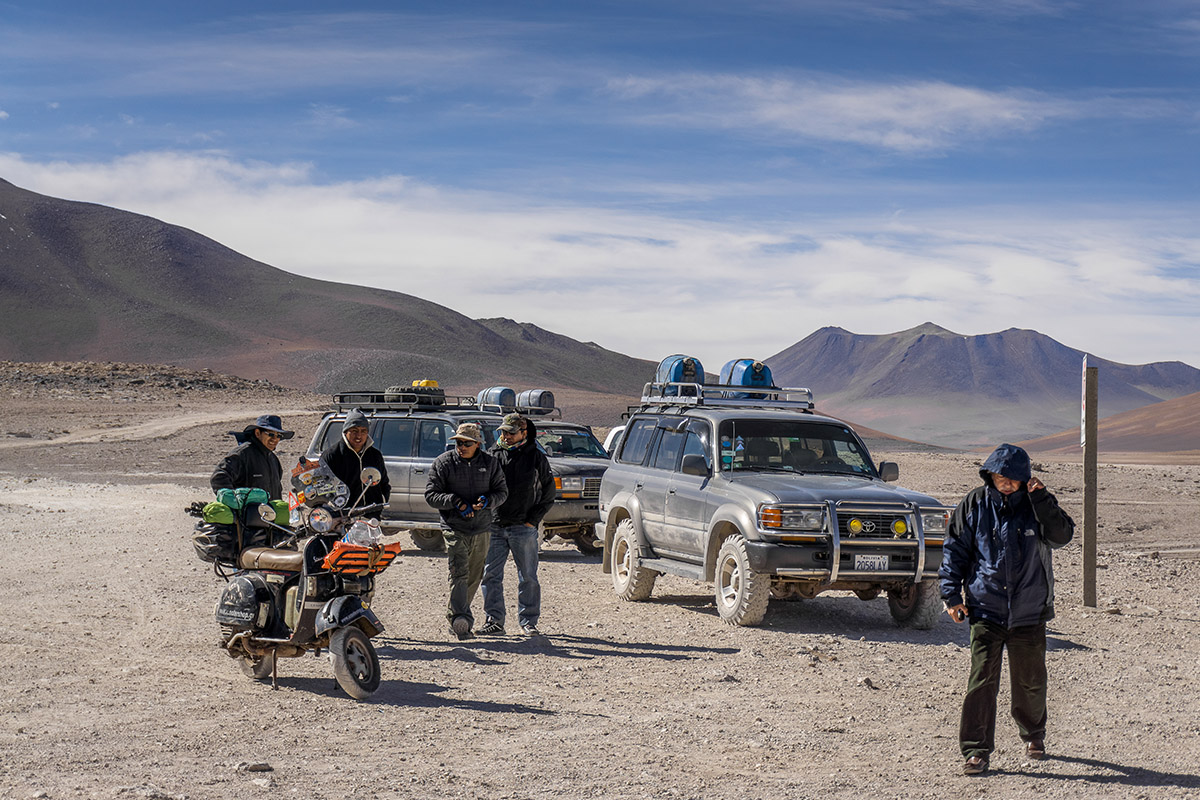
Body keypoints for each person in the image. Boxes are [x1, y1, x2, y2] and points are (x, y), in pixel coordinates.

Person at [939, 443, 1075, 776]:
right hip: (986, 607)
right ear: (990, 474)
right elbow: (954, 549)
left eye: (1012, 477)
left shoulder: (1036, 504)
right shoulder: (974, 503)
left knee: (1030, 681)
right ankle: (975, 751)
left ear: (1023, 477)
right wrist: (951, 595)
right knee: (981, 681)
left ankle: (1033, 735)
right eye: (999, 475)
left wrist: (1042, 500)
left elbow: (1062, 536)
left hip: (1029, 610)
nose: (1005, 482)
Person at [424, 422, 507, 640]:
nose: (461, 447)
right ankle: (460, 618)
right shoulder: (443, 463)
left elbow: (502, 492)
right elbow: (431, 495)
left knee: (474, 574)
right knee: (459, 570)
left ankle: (457, 614)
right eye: (459, 443)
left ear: (477, 444)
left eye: (467, 443)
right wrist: (455, 502)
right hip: (453, 526)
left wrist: (488, 501)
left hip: (481, 527)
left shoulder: (490, 463)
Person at [479, 413, 555, 637]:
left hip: (523, 526)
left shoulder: (536, 457)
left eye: (511, 432)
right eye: (503, 432)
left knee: (528, 576)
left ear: (523, 433)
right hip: (494, 526)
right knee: (490, 575)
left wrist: (533, 519)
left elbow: (549, 493)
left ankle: (528, 621)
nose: (506, 436)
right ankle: (494, 621)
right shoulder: (492, 455)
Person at [210, 414, 294, 501]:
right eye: (271, 434)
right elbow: (218, 478)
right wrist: (234, 502)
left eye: (279, 436)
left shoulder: (273, 459)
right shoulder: (243, 454)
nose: (275, 439)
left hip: (270, 513)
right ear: (257, 433)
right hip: (247, 514)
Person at [319, 409, 391, 510]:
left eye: (363, 431)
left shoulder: (375, 455)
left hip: (370, 516)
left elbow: (383, 482)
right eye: (354, 431)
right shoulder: (331, 456)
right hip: (343, 517)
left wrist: (381, 502)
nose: (359, 436)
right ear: (345, 432)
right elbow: (322, 488)